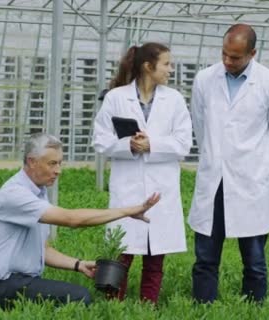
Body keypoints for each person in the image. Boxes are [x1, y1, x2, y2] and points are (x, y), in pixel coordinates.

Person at [0, 133, 161, 309]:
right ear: (32, 162)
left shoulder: (38, 192)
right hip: (1, 285)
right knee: (79, 297)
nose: (58, 171)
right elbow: (72, 219)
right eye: (52, 164)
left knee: (77, 295)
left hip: (22, 281)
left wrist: (78, 265)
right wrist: (127, 211)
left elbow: (44, 250)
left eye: (60, 163)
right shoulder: (15, 194)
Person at [188, 24, 269, 304]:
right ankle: (203, 306)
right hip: (214, 180)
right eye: (224, 54)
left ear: (252, 53)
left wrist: (258, 166)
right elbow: (200, 125)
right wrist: (214, 156)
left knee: (255, 260)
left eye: (235, 57)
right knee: (205, 257)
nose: (227, 61)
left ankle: (253, 307)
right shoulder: (204, 79)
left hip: (249, 183)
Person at [93, 42, 192, 305]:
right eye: (166, 64)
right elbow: (101, 140)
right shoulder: (116, 98)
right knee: (120, 256)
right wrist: (129, 146)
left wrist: (152, 145)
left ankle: (147, 308)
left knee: (154, 258)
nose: (171, 69)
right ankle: (114, 307)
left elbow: (184, 143)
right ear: (149, 67)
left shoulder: (175, 100)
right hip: (128, 188)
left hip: (161, 190)